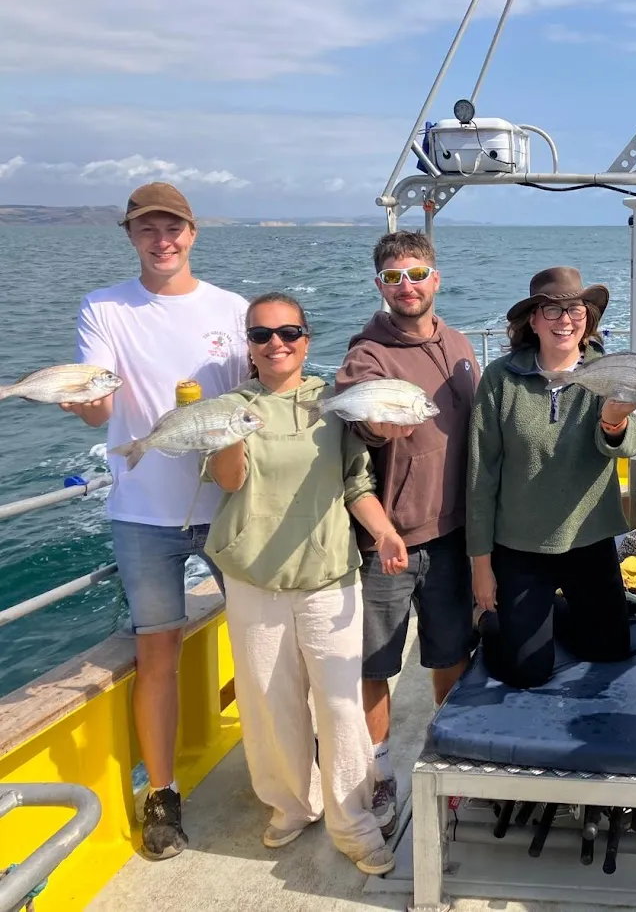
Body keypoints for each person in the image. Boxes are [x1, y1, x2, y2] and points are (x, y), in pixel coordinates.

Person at [64, 182, 249, 860]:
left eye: (173, 227)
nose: (162, 239)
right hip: (143, 511)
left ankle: (288, 760)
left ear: (193, 233)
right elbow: (95, 390)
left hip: (228, 503)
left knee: (261, 637)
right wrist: (86, 405)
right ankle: (163, 792)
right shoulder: (104, 307)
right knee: (157, 651)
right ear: (131, 236)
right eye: (147, 229)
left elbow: (254, 398)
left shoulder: (230, 309)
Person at [204, 293, 406, 874]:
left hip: (326, 576)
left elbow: (355, 485)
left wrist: (387, 534)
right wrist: (227, 436)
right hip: (253, 578)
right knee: (269, 703)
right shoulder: (229, 405)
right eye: (262, 335)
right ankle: (292, 804)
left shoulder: (333, 404)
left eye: (288, 332)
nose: (276, 344)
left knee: (340, 706)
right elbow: (229, 480)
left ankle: (353, 822)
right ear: (248, 345)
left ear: (307, 339)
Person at [334, 230, 480, 838]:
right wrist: (375, 424)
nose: (407, 286)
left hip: (454, 535)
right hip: (387, 541)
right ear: (380, 286)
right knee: (377, 663)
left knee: (451, 652)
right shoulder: (367, 353)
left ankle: (450, 751)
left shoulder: (462, 344)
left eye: (416, 273)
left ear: (435, 278)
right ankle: (382, 769)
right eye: (393, 277)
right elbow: (362, 419)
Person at [467, 267, 636, 689]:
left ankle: (548, 613)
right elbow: (480, 475)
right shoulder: (500, 379)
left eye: (575, 308)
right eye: (552, 309)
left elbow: (632, 443)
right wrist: (480, 567)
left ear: (588, 318)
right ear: (533, 320)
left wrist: (614, 423)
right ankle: (504, 621)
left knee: (611, 650)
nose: (565, 319)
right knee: (527, 672)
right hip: (519, 545)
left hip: (589, 538)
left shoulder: (611, 372)